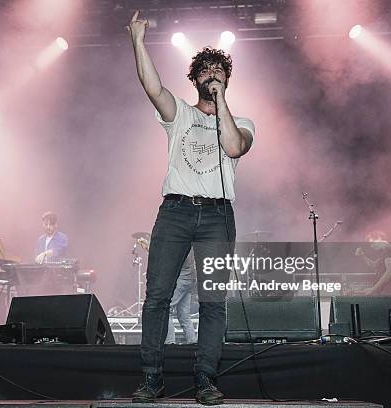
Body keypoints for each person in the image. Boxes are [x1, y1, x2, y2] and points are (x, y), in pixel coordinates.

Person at [128, 10, 254, 405]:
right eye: (206, 71)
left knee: (213, 301)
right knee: (158, 295)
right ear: (195, 78)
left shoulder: (243, 121)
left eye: (219, 71)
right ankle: (152, 378)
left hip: (218, 216)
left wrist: (223, 103)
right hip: (176, 211)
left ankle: (206, 380)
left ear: (227, 80)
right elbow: (153, 88)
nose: (212, 75)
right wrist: (137, 40)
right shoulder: (180, 114)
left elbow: (234, 147)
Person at [138, 238, 197, 344]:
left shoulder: (180, 243)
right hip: (189, 280)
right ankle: (192, 342)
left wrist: (149, 248)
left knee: (167, 310)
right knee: (184, 314)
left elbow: (166, 259)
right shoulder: (188, 241)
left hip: (182, 280)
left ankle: (170, 343)